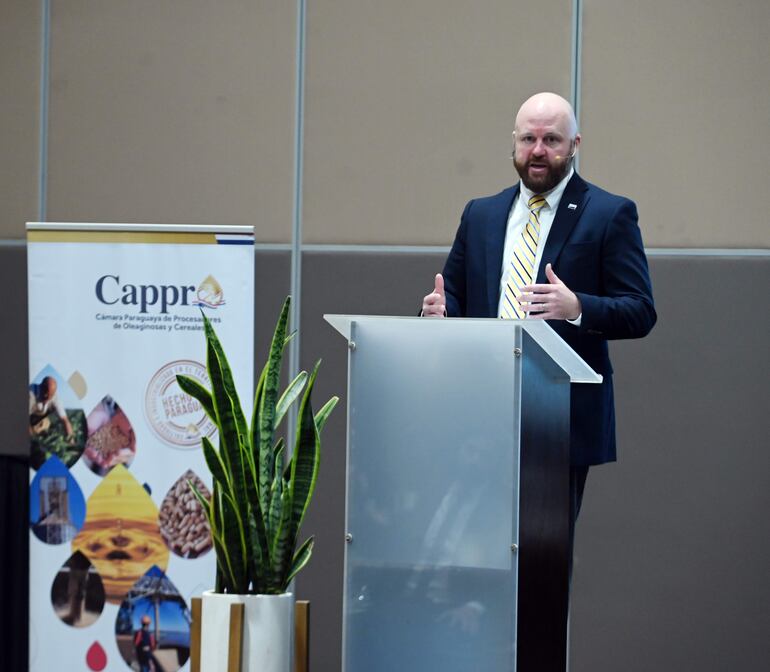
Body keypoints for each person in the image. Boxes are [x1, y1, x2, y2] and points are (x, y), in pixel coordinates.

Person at [422, 91, 656, 549]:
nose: (538, 150)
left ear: (574, 144)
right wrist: (434, 314)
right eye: (529, 138)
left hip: (558, 418)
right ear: (513, 142)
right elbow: (450, 297)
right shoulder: (481, 214)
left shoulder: (609, 214)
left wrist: (578, 308)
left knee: (540, 561)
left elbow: (641, 310)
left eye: (551, 139)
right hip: (478, 411)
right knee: (471, 551)